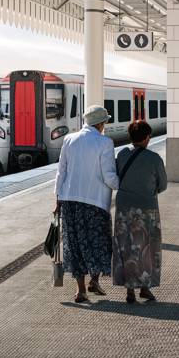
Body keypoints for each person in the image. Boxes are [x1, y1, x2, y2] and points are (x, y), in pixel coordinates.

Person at [53, 105, 119, 303]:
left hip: (69, 200)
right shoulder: (105, 142)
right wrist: (122, 185)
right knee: (99, 242)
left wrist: (58, 202)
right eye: (105, 121)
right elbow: (109, 177)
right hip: (94, 202)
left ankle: (80, 291)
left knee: (74, 245)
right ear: (100, 123)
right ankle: (94, 280)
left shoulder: (69, 139)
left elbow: (61, 172)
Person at [113, 120, 167, 304]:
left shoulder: (121, 155)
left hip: (123, 209)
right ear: (146, 138)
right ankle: (145, 288)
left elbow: (117, 177)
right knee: (147, 248)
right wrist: (148, 192)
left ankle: (129, 291)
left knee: (126, 247)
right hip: (147, 209)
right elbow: (163, 185)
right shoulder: (154, 158)